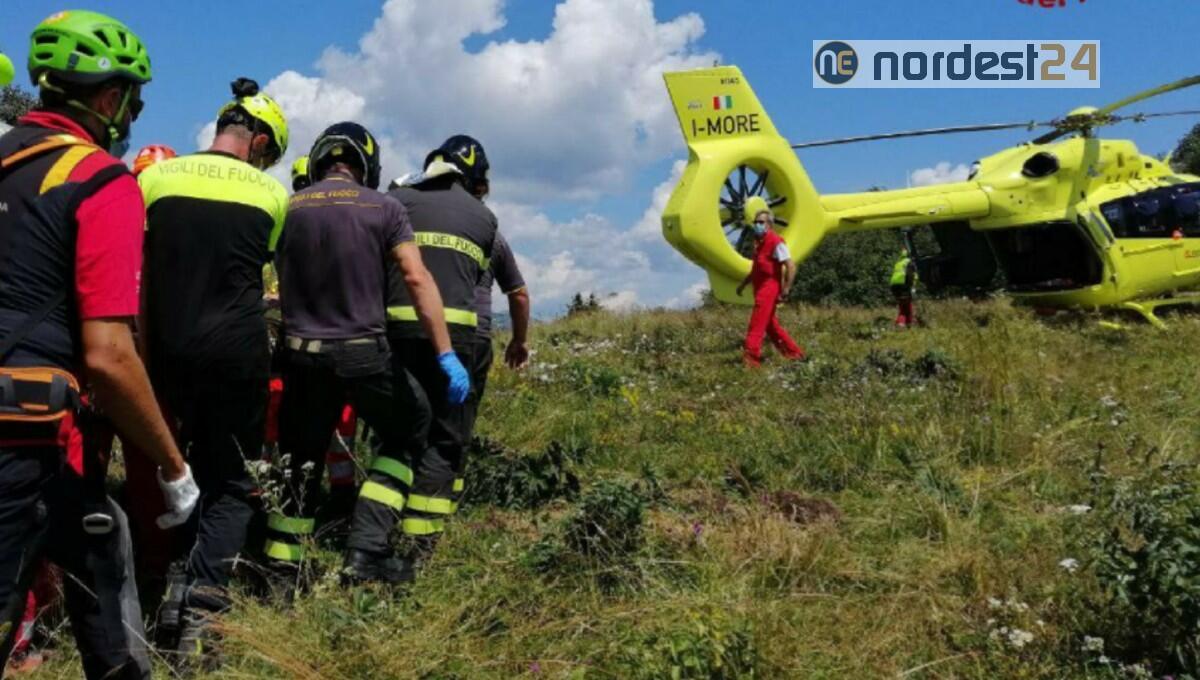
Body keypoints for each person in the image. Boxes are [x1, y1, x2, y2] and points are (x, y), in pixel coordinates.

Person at [0, 10, 199, 679]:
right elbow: (109, 356)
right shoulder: (101, 180)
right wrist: (172, 465)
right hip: (20, 438)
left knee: (98, 534)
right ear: (110, 99)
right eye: (133, 102)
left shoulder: (6, 159)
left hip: (35, 449)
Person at [137, 77, 288, 659]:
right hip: (236, 354)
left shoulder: (155, 179)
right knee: (229, 480)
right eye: (270, 152)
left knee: (179, 473)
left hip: (165, 355)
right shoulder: (271, 196)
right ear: (257, 141)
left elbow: (143, 277)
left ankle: (169, 586)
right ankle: (200, 609)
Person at [273, 122, 458, 584]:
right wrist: (446, 354)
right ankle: (366, 552)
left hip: (299, 354)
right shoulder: (386, 208)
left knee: (301, 457)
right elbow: (416, 279)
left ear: (317, 162)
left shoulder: (288, 206)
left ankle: (282, 570)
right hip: (363, 355)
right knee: (409, 428)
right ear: (368, 165)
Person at [377, 135, 491, 572]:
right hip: (456, 342)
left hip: (392, 335)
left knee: (398, 438)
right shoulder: (484, 218)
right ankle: (419, 551)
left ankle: (369, 540)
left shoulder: (395, 200)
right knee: (444, 442)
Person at [465, 231, 530, 438]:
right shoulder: (492, 236)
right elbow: (519, 294)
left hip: (411, 330)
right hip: (474, 335)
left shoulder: (414, 223)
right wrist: (519, 340)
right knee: (459, 421)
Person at [735, 197, 805, 367]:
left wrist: (786, 289)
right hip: (758, 288)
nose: (757, 225)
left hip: (769, 289)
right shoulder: (759, 244)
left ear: (769, 225)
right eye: (756, 222)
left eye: (761, 222)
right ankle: (795, 354)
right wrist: (743, 284)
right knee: (770, 326)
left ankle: (751, 361)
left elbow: (790, 266)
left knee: (756, 325)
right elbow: (756, 269)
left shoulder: (776, 242)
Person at [890, 247, 918, 328]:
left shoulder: (898, 263)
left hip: (894, 287)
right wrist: (913, 286)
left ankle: (901, 323)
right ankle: (908, 323)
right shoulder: (909, 262)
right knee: (908, 305)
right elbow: (912, 275)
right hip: (904, 285)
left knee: (902, 305)